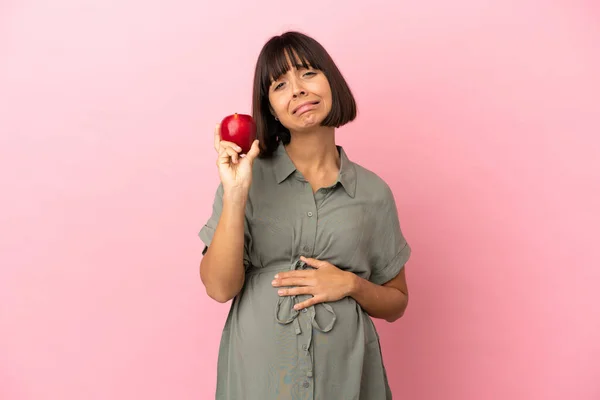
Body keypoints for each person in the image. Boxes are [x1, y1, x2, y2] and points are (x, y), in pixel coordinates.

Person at [198, 31, 412, 400]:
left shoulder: (373, 193)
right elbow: (219, 288)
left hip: (344, 376)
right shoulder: (247, 179)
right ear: (270, 107)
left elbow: (397, 302)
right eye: (280, 84)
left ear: (332, 81)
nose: (297, 89)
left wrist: (352, 285)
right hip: (259, 375)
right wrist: (235, 195)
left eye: (308, 73)